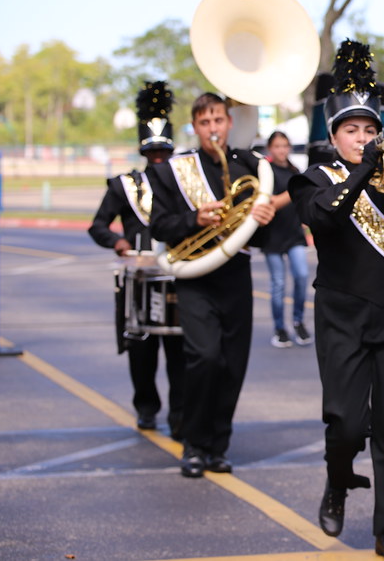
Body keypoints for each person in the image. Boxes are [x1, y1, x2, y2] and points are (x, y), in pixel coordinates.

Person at [289, 40, 384, 561]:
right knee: (347, 421)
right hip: (341, 313)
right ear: (333, 137)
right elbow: (325, 217)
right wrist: (361, 172)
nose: (363, 138)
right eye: (351, 130)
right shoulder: (312, 179)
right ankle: (336, 480)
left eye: (370, 129)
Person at [146, 92, 278, 478]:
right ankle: (193, 443)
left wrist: (264, 220)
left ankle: (219, 446)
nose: (213, 129)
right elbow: (158, 227)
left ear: (229, 122)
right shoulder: (173, 171)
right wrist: (194, 219)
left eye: (218, 120)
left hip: (236, 276)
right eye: (205, 123)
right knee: (204, 358)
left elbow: (263, 240)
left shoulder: (247, 168)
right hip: (196, 279)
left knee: (233, 364)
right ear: (195, 126)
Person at [88, 80, 184, 438]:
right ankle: (146, 407)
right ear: (145, 154)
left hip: (175, 273)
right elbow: (97, 225)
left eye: (164, 153)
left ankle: (180, 416)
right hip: (138, 278)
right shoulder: (122, 185)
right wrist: (116, 242)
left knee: (180, 351)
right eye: (153, 154)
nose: (159, 159)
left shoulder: (183, 183)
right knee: (141, 351)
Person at [262, 130, 312, 348]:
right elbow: (269, 202)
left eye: (285, 145)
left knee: (301, 276)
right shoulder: (265, 171)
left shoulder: (295, 171)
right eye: (277, 146)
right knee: (278, 284)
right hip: (272, 235)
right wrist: (292, 193)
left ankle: (298, 321)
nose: (282, 150)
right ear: (270, 149)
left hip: (294, 234)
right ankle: (280, 327)